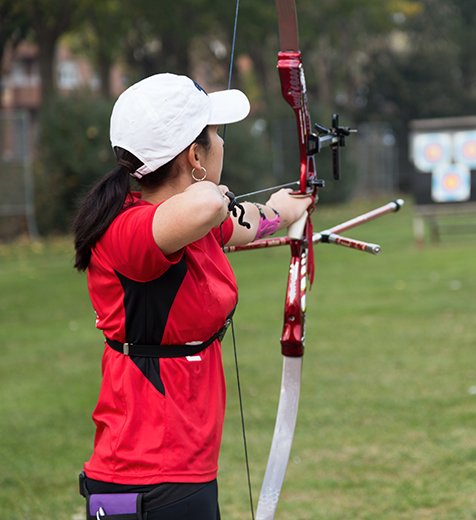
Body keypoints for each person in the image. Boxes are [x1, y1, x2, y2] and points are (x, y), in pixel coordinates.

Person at [72, 73, 311, 519]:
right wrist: (212, 194)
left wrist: (284, 209)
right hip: (145, 477)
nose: (223, 144)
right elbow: (207, 207)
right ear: (195, 155)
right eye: (216, 135)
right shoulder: (130, 231)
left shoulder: (189, 227)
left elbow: (246, 221)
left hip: (181, 469)